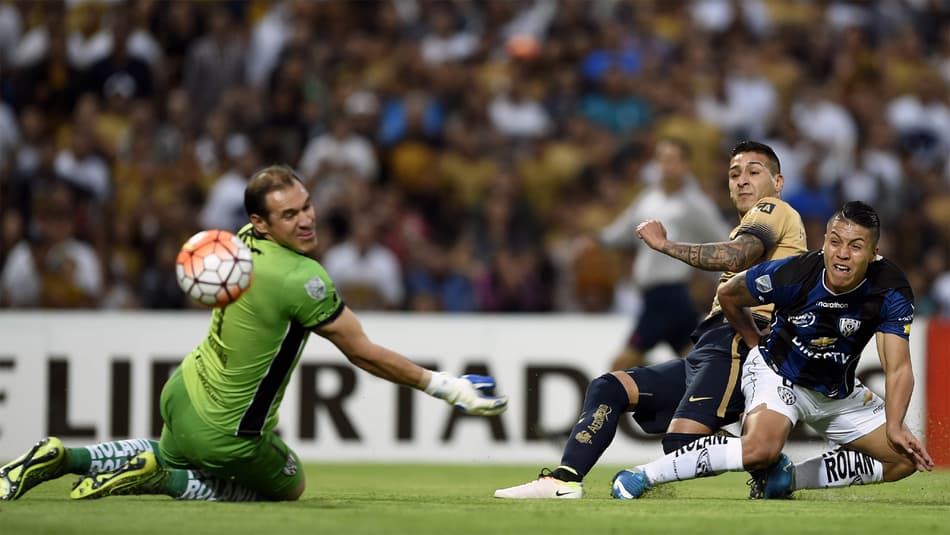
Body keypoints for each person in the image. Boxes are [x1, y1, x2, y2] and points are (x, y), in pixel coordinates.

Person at [0, 165, 508, 502]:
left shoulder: (236, 243)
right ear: (260, 223)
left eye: (306, 205)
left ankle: (61, 455)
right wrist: (448, 387)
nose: (307, 220)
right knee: (290, 487)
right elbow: (363, 354)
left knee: (165, 448)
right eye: (290, 215)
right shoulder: (301, 279)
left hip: (182, 393)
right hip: (230, 435)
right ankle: (163, 479)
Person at [495, 140, 807, 499]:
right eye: (735, 174)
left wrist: (665, 245)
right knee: (609, 386)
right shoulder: (658, 200)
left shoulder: (773, 209)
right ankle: (563, 481)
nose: (741, 181)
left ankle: (767, 461)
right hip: (711, 343)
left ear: (778, 182)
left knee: (682, 443)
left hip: (738, 340)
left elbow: (736, 256)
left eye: (754, 172)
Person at [611, 201, 933, 500]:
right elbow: (728, 293)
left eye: (855, 246)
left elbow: (899, 368)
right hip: (779, 374)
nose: (842, 254)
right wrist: (753, 343)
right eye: (835, 242)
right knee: (760, 450)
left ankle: (788, 479)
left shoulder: (890, 288)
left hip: (835, 392)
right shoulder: (795, 274)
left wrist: (893, 425)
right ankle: (641, 475)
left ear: (874, 253)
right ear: (824, 242)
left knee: (905, 459)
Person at [590, 137, 730, 370]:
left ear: (686, 165)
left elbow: (725, 241)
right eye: (662, 159)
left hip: (668, 294)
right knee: (697, 365)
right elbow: (624, 230)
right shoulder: (648, 198)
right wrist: (597, 239)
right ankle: (714, 403)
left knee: (621, 365)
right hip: (657, 297)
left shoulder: (695, 204)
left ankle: (609, 406)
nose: (666, 166)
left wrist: (723, 281)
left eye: (673, 160)